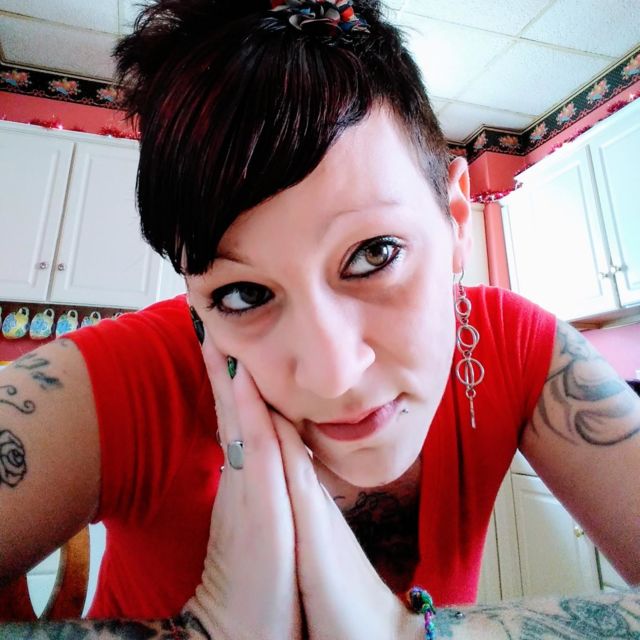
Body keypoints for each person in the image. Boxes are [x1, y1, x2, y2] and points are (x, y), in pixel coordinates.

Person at [1, 0, 639, 638]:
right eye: (244, 294)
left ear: (455, 221)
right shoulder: (130, 379)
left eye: (374, 254)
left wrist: (407, 634)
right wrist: (204, 632)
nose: (334, 374)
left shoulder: (516, 348)